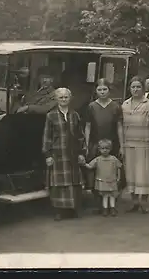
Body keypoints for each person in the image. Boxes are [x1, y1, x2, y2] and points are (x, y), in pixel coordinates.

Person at [42, 87, 86, 221]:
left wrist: (82, 153)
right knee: (58, 184)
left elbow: (80, 136)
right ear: (56, 99)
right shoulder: (51, 115)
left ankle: (72, 210)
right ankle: (59, 211)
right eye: (61, 97)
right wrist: (48, 155)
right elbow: (47, 137)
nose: (63, 99)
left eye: (66, 97)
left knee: (73, 182)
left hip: (72, 153)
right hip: (57, 153)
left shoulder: (75, 115)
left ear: (70, 98)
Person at [81, 78, 124, 212]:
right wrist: (87, 144)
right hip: (96, 143)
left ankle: (112, 202)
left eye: (105, 89)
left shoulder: (116, 106)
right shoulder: (91, 107)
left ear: (109, 90)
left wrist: (122, 145)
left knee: (111, 172)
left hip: (112, 143)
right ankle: (99, 202)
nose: (102, 92)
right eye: (99, 89)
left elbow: (119, 126)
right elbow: (87, 126)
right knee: (96, 172)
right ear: (96, 91)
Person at [121, 76, 149, 214]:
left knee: (144, 174)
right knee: (131, 174)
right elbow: (121, 125)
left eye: (138, 87)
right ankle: (135, 202)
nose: (135, 90)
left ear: (143, 89)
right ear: (129, 89)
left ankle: (144, 203)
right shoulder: (124, 105)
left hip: (145, 143)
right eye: (133, 87)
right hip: (129, 144)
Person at [84, 139, 122, 217]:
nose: (105, 150)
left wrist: (119, 177)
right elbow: (90, 166)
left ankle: (112, 208)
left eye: (107, 148)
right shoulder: (98, 159)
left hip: (112, 180)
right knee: (105, 195)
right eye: (103, 148)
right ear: (99, 149)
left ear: (110, 149)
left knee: (112, 195)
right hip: (103, 181)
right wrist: (84, 163)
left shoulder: (113, 159)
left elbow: (119, 167)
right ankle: (105, 208)